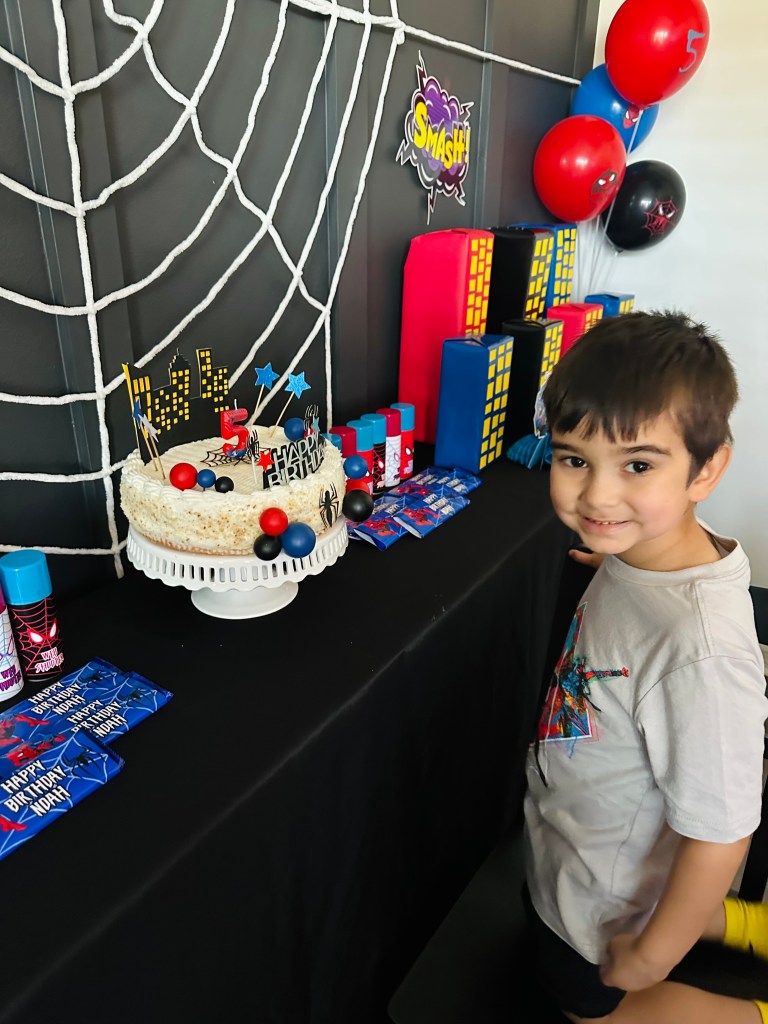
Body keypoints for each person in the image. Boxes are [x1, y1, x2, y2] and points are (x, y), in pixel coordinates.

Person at [523, 310, 768, 1023]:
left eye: (636, 465)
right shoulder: (646, 553)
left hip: (608, 899)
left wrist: (652, 959)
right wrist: (620, 559)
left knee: (592, 1012)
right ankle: (748, 926)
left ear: (708, 467)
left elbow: (721, 835)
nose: (597, 496)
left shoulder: (700, 654)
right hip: (581, 849)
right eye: (574, 458)